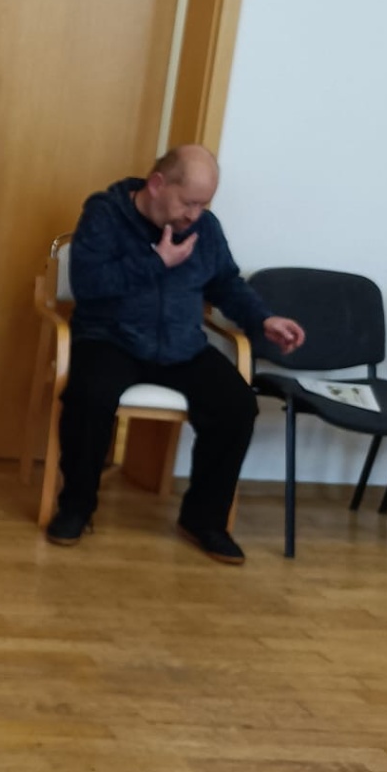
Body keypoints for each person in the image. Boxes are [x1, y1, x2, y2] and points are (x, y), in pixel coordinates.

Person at [46, 144, 306, 561]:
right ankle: (76, 507)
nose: (194, 215)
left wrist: (263, 319)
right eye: (189, 203)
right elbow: (89, 286)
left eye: (203, 205)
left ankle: (204, 520)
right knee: (88, 397)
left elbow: (226, 284)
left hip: (181, 345)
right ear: (157, 184)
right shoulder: (105, 214)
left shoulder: (206, 229)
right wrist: (156, 262)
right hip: (111, 338)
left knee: (238, 406)